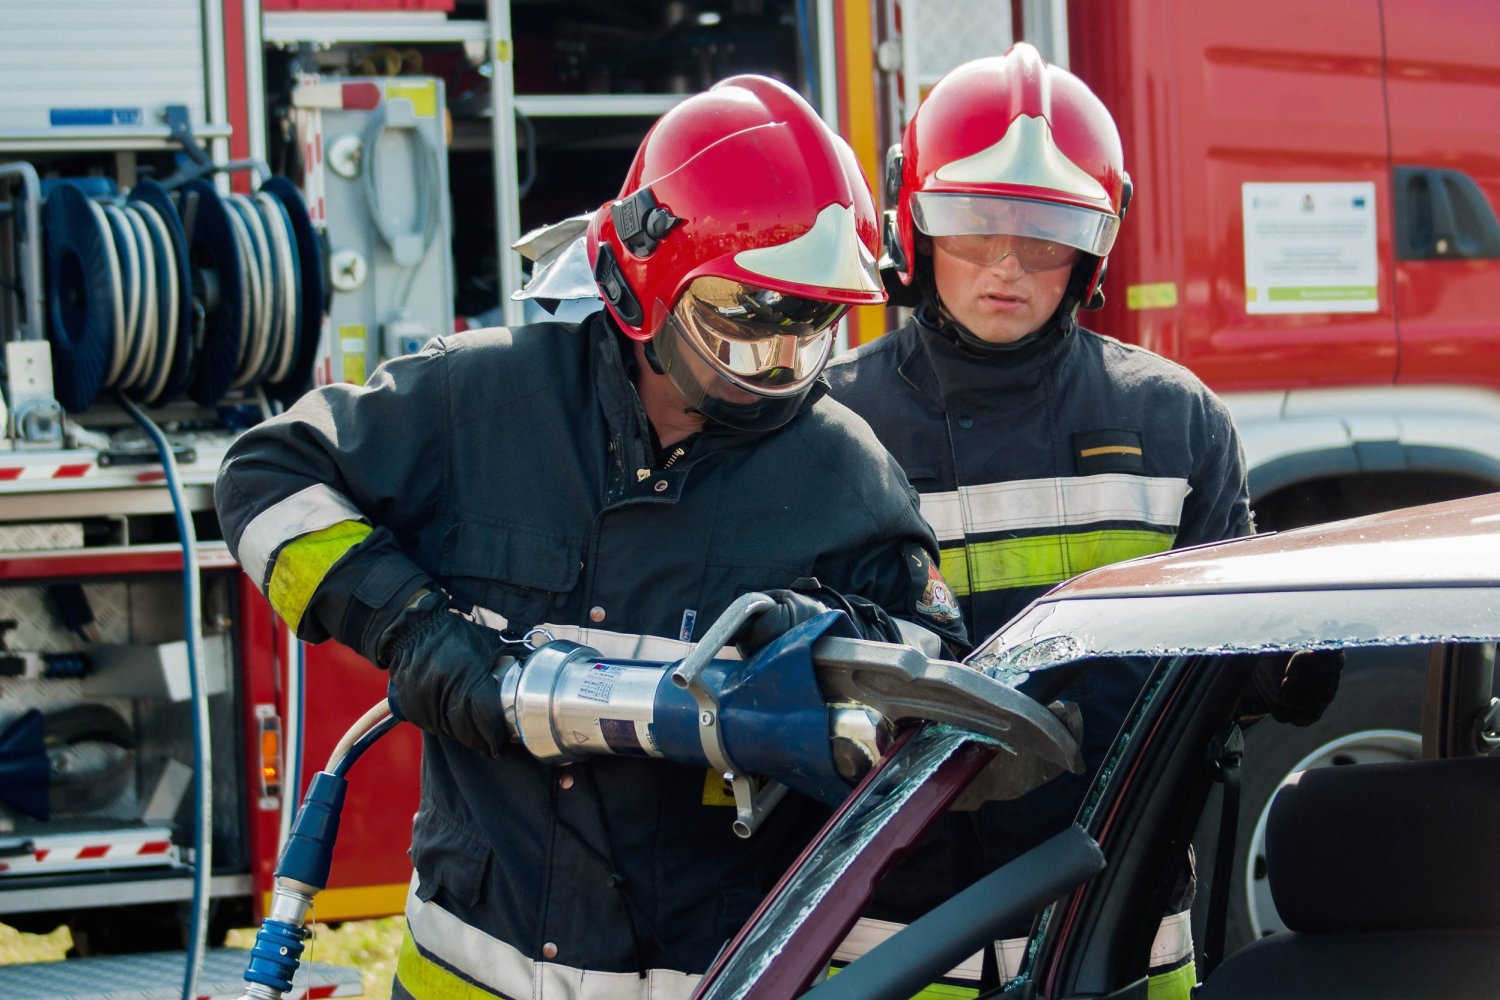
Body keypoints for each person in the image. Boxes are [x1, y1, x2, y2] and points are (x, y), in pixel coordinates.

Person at [216, 75, 964, 1000]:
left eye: (807, 326)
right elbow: (264, 480)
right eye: (743, 318)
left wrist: (819, 640)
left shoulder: (839, 469)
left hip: (707, 974)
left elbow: (937, 668)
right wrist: (409, 626)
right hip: (470, 971)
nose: (775, 363)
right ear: (647, 279)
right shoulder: (482, 401)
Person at [825, 43, 1254, 1000]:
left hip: (1115, 920)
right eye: (975, 227)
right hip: (896, 932)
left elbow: (1232, 670)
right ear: (916, 227)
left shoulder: (1176, 423)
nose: (1008, 266)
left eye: (1047, 233)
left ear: (1094, 247)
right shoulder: (829, 426)